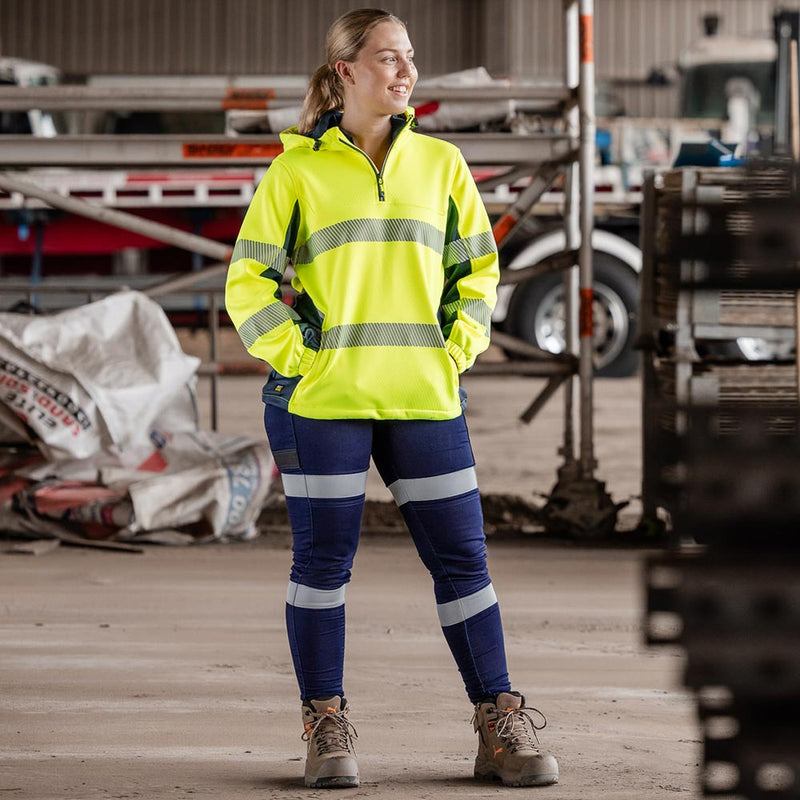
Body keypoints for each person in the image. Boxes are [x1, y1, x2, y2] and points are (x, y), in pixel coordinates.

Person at [225, 7, 559, 790]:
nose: (404, 72)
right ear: (345, 71)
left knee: (464, 563)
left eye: (409, 58)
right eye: (387, 59)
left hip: (424, 399)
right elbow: (248, 283)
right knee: (322, 565)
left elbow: (478, 273)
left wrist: (455, 351)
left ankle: (498, 726)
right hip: (323, 402)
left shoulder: (442, 165)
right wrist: (300, 359)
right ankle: (326, 726)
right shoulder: (296, 173)